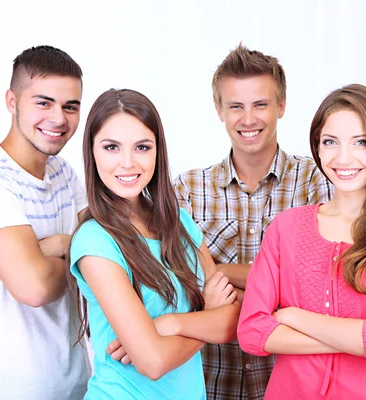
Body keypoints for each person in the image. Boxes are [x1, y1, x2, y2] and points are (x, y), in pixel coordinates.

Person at [237, 84, 366, 399]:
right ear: (317, 147)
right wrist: (362, 338)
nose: (343, 157)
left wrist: (292, 317)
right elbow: (251, 332)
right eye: (330, 141)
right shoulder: (285, 228)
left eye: (361, 142)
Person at [174, 43, 333, 399]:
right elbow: (180, 284)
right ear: (219, 110)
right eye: (236, 106)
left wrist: (216, 272)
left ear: (281, 106)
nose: (248, 119)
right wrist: (275, 286)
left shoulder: (316, 182)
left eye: (260, 104)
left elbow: (321, 287)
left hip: (295, 384)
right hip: (209, 383)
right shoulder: (186, 189)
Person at [69, 88, 241, 400]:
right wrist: (206, 317)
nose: (128, 163)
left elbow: (231, 320)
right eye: (111, 147)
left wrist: (168, 324)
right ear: (92, 153)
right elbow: (153, 361)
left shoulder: (180, 223)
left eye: (142, 147)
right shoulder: (95, 241)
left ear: (157, 151)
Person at [0, 45, 90, 400]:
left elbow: (106, 252)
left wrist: (51, 249)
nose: (59, 118)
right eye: (43, 102)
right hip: (7, 389)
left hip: (78, 385)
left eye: (70, 106)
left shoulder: (65, 174)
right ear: (12, 101)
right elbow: (35, 288)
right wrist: (71, 247)